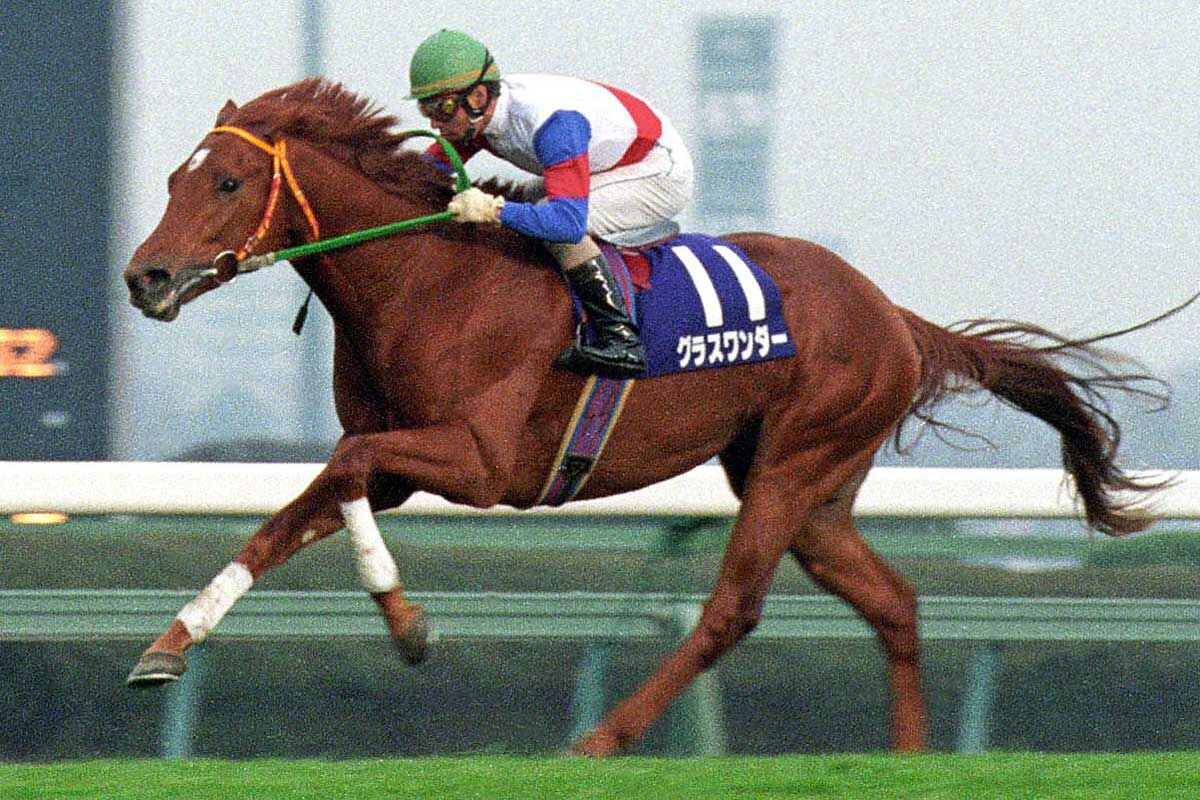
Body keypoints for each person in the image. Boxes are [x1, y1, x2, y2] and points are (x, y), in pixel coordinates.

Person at [407, 29, 695, 379]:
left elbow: (566, 224)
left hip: (657, 170)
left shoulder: (551, 123)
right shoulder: (475, 118)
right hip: (609, 160)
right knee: (527, 202)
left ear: (478, 96)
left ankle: (620, 339)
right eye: (426, 109)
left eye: (442, 108)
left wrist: (491, 210)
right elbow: (423, 173)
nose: (434, 122)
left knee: (548, 221)